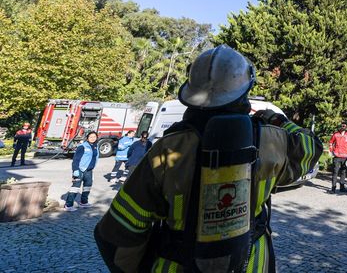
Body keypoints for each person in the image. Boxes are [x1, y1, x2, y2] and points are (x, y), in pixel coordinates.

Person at [93, 45, 323, 273]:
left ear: (191, 93)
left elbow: (118, 231)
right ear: (245, 90)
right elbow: (312, 148)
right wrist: (278, 121)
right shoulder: (271, 141)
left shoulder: (168, 148)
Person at [64, 131, 99, 211]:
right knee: (75, 187)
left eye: (94, 137)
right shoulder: (82, 146)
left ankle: (83, 202)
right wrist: (75, 170)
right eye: (91, 137)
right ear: (87, 138)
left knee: (87, 187)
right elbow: (76, 159)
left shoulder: (95, 147)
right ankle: (68, 205)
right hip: (80, 169)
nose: (93, 138)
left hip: (89, 170)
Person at [329, 122, 347, 193]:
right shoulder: (336, 134)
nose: (343, 127)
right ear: (340, 126)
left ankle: (342, 188)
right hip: (337, 156)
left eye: (345, 126)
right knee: (335, 172)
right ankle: (333, 188)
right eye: (342, 126)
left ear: (346, 127)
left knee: (343, 172)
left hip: (345, 157)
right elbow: (330, 142)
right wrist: (332, 151)